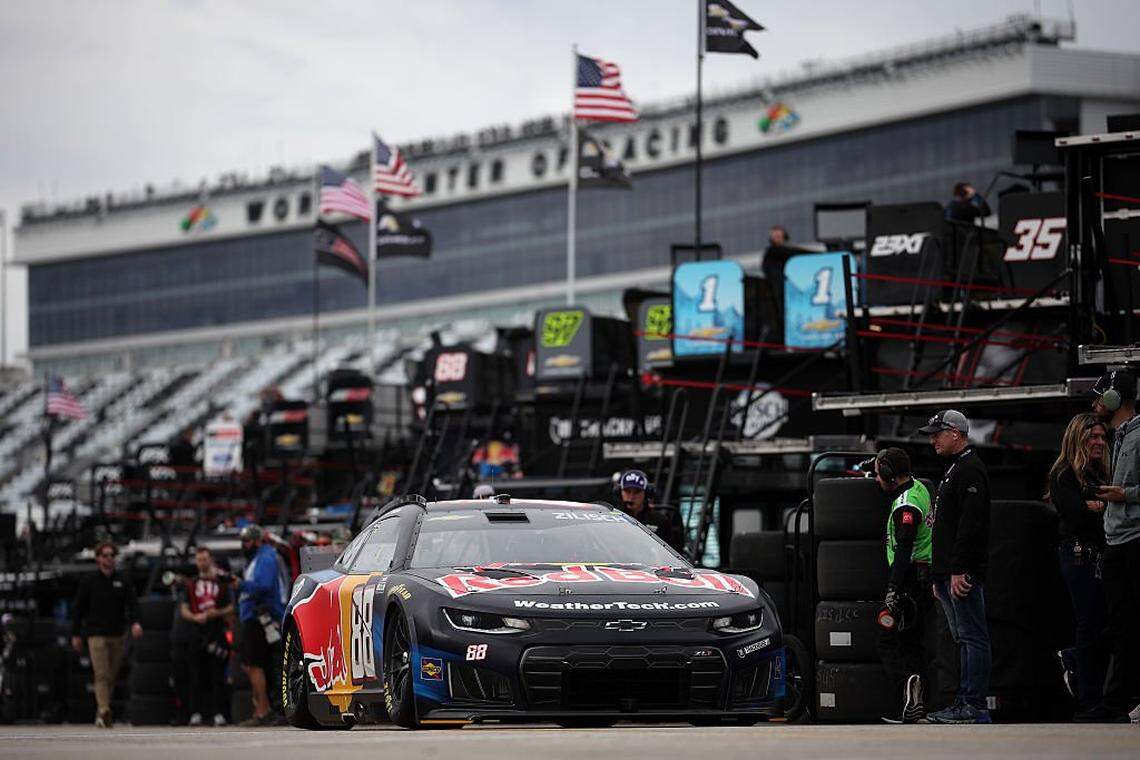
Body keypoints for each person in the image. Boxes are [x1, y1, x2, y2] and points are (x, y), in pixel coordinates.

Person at [917, 409, 992, 724]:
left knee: (973, 637)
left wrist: (960, 569)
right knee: (962, 637)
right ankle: (964, 702)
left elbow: (971, 526)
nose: (933, 439)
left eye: (937, 433)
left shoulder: (970, 470)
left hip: (961, 572)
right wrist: (939, 573)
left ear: (956, 434)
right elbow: (945, 528)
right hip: (947, 572)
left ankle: (973, 705)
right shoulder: (954, 469)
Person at [1078, 369, 1140, 723]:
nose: (1096, 402)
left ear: (1116, 399)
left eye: (1102, 396)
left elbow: (1131, 490)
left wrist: (1125, 495)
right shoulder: (1118, 437)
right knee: (1122, 627)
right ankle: (1115, 704)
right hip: (1116, 540)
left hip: (1135, 539)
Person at [1046, 413, 1111, 714]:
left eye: (1101, 436)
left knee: (1106, 623)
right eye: (1093, 437)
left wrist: (1096, 503)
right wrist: (1102, 504)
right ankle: (1090, 699)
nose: (1099, 442)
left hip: (1100, 554)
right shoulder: (1063, 474)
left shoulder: (1100, 474)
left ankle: (1076, 663)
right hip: (1078, 554)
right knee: (1089, 623)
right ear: (1078, 439)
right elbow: (1074, 511)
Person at [872, 448, 934, 724]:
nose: (876, 479)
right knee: (913, 643)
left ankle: (907, 688)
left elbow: (904, 548)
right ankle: (916, 704)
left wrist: (893, 590)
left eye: (878, 474)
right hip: (922, 579)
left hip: (909, 581)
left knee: (886, 639)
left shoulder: (905, 506)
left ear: (889, 475)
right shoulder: (919, 487)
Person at [70, 540, 143, 728]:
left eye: (112, 555)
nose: (109, 559)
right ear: (98, 558)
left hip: (117, 633)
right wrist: (76, 633)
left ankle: (101, 713)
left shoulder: (123, 580)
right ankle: (104, 709)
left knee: (111, 675)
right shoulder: (89, 581)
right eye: (105, 555)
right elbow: (78, 609)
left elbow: (132, 604)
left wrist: (135, 623)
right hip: (96, 634)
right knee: (101, 673)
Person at [235, 525, 287, 726]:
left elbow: (263, 586)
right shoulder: (256, 559)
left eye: (247, 541)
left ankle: (265, 711)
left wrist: (239, 584)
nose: (244, 545)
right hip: (255, 616)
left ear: (257, 541)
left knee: (257, 664)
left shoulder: (265, 558)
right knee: (257, 664)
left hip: (262, 616)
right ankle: (267, 709)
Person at [181, 546, 233, 727]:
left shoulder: (221, 582)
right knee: (196, 675)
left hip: (216, 631)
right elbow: (183, 608)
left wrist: (216, 613)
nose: (202, 562)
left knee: (217, 674)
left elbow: (232, 607)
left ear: (211, 560)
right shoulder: (191, 583)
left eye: (205, 559)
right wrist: (194, 617)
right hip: (196, 632)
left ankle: (218, 713)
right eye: (199, 559)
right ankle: (195, 712)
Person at [616, 470, 685, 554]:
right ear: (619, 493)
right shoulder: (612, 517)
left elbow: (674, 553)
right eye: (627, 491)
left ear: (647, 493)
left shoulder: (660, 520)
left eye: (637, 492)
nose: (631, 496)